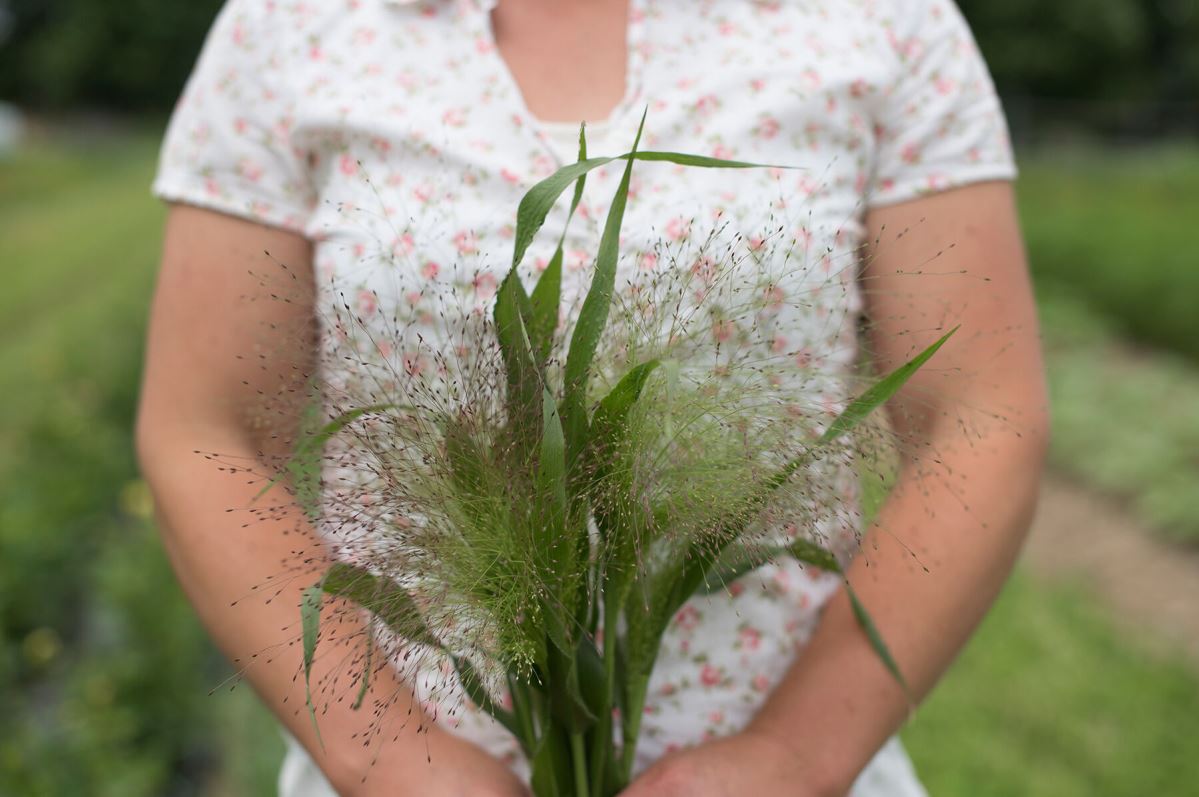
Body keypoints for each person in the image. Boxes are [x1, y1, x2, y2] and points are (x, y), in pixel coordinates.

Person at [135, 0, 1049, 794]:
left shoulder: (883, 22)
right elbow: (202, 434)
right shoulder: (289, 26)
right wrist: (393, 764)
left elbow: (981, 419)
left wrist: (795, 757)